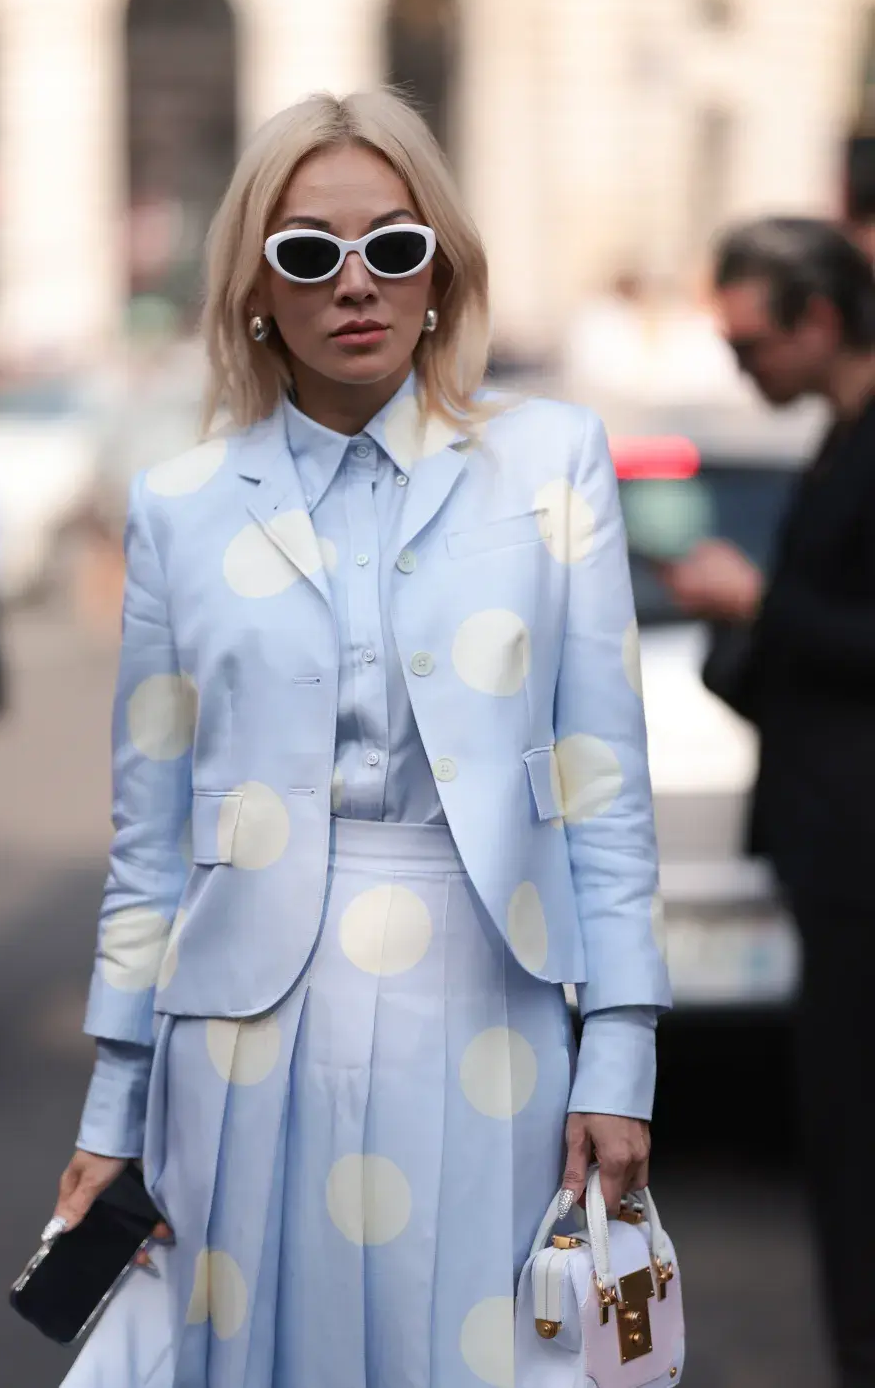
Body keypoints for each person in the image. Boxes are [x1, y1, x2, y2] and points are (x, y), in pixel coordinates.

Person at [51, 89, 670, 1388]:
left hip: (482, 1011)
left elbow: (601, 786)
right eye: (306, 251)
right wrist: (111, 1107)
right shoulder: (176, 507)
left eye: (392, 246)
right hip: (230, 1041)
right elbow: (150, 837)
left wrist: (621, 1048)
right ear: (252, 288)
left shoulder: (551, 462)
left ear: (439, 270)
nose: (355, 283)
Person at [662, 216, 875, 1388]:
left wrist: (756, 605)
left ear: (821, 319)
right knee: (839, 1147)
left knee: (853, 1148)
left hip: (859, 860)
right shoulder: (836, 437)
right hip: (826, 849)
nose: (740, 367)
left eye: (750, 345)